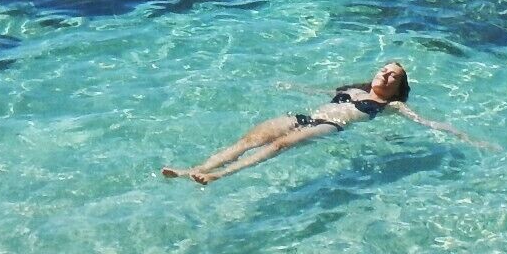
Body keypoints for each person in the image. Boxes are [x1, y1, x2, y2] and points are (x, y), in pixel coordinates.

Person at [161, 62, 479, 186]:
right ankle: (194, 168)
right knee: (249, 139)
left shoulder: (391, 105)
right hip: (305, 116)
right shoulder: (350, 88)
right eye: (384, 69)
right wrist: (291, 86)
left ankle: (220, 174)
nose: (386, 74)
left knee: (280, 145)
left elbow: (427, 122)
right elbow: (317, 91)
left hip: (331, 126)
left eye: (393, 75)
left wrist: (464, 136)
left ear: (398, 87)